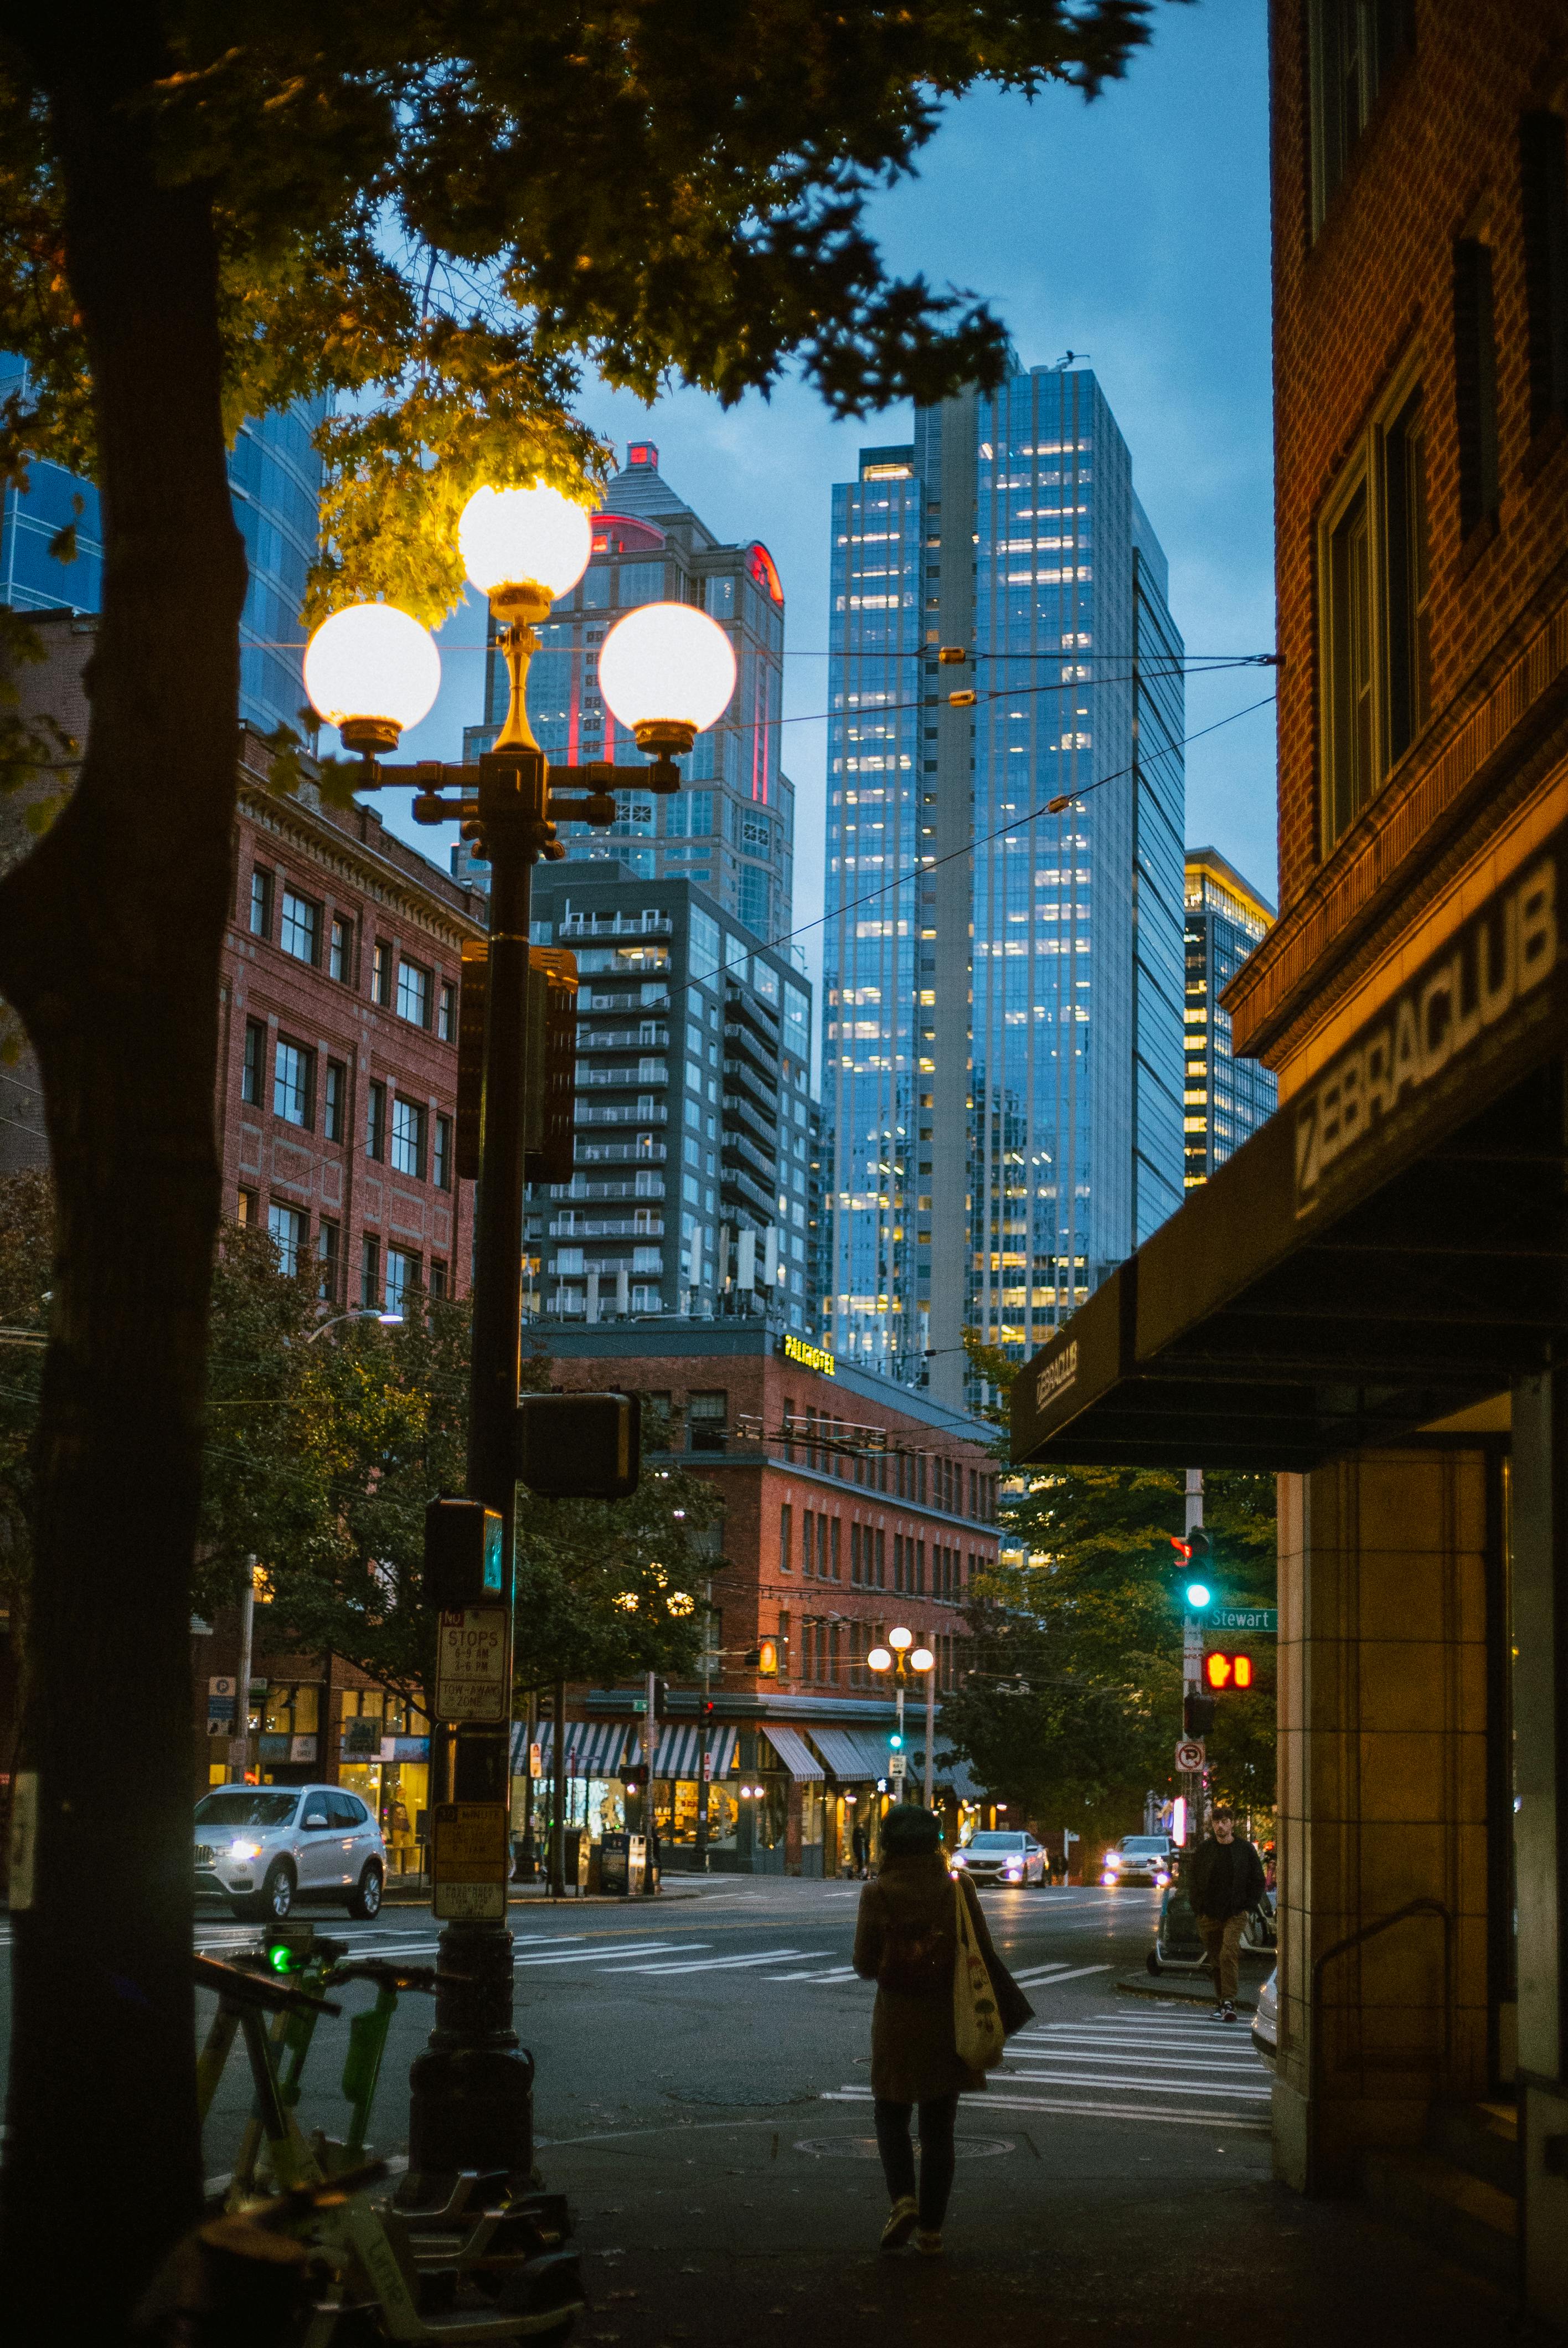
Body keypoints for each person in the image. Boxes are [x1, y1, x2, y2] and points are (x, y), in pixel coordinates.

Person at [853, 1804, 1028, 2257]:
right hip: (950, 2019)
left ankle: (903, 2200)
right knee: (939, 2128)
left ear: (888, 1843)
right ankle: (931, 2232)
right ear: (936, 1843)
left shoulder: (878, 1892)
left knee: (890, 2112)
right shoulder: (959, 1887)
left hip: (897, 2020)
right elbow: (982, 1951)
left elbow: (864, 1966)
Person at [1189, 1804, 1267, 2023]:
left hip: (1235, 1912)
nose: (1220, 1826)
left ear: (1232, 1824)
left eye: (1224, 1822)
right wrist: (1198, 1908)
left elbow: (1257, 1879)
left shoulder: (1244, 1849)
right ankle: (1222, 2002)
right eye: (1216, 1822)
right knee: (1216, 1960)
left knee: (1228, 1953)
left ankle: (1229, 2001)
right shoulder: (1205, 1850)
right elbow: (1193, 1879)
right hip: (1209, 1914)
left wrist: (1249, 1905)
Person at [851, 1815, 870, 1880]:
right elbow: (855, 1842)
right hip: (860, 1850)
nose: (861, 1825)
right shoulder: (857, 1831)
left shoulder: (862, 1831)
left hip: (863, 1850)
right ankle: (860, 1872)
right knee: (860, 1861)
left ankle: (862, 1872)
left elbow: (866, 1841)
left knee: (862, 1861)